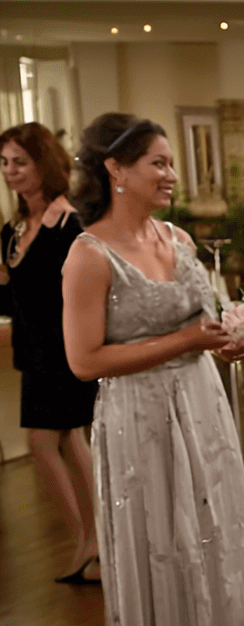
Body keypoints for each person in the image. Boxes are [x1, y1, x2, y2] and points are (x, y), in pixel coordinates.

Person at [61, 113, 244, 626]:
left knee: (217, 539)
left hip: (202, 410)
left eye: (170, 163)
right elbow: (83, 360)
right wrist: (187, 343)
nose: (171, 175)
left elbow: (203, 322)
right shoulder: (89, 255)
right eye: (158, 163)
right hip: (138, 418)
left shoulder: (178, 240)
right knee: (161, 545)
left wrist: (227, 339)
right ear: (115, 169)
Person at [2, 122, 97, 583]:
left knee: (54, 440)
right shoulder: (13, 229)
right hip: (33, 350)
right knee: (66, 439)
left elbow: (75, 289)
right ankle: (91, 540)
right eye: (4, 164)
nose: (10, 172)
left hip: (64, 347)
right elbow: (12, 298)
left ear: (43, 163)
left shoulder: (67, 222)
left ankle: (89, 539)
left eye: (20, 162)